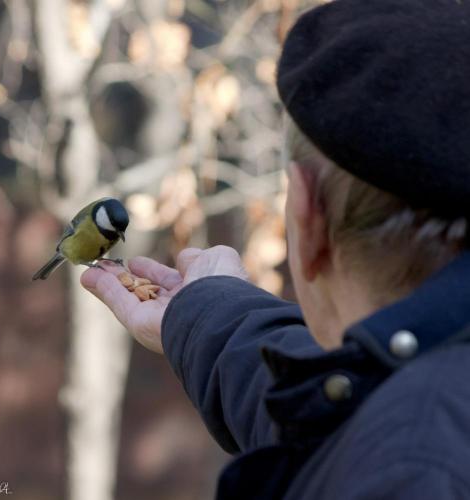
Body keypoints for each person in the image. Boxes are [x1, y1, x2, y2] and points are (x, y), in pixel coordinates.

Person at [81, 0, 470, 498]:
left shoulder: (413, 468)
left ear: (308, 218)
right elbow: (330, 411)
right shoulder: (415, 405)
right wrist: (204, 312)